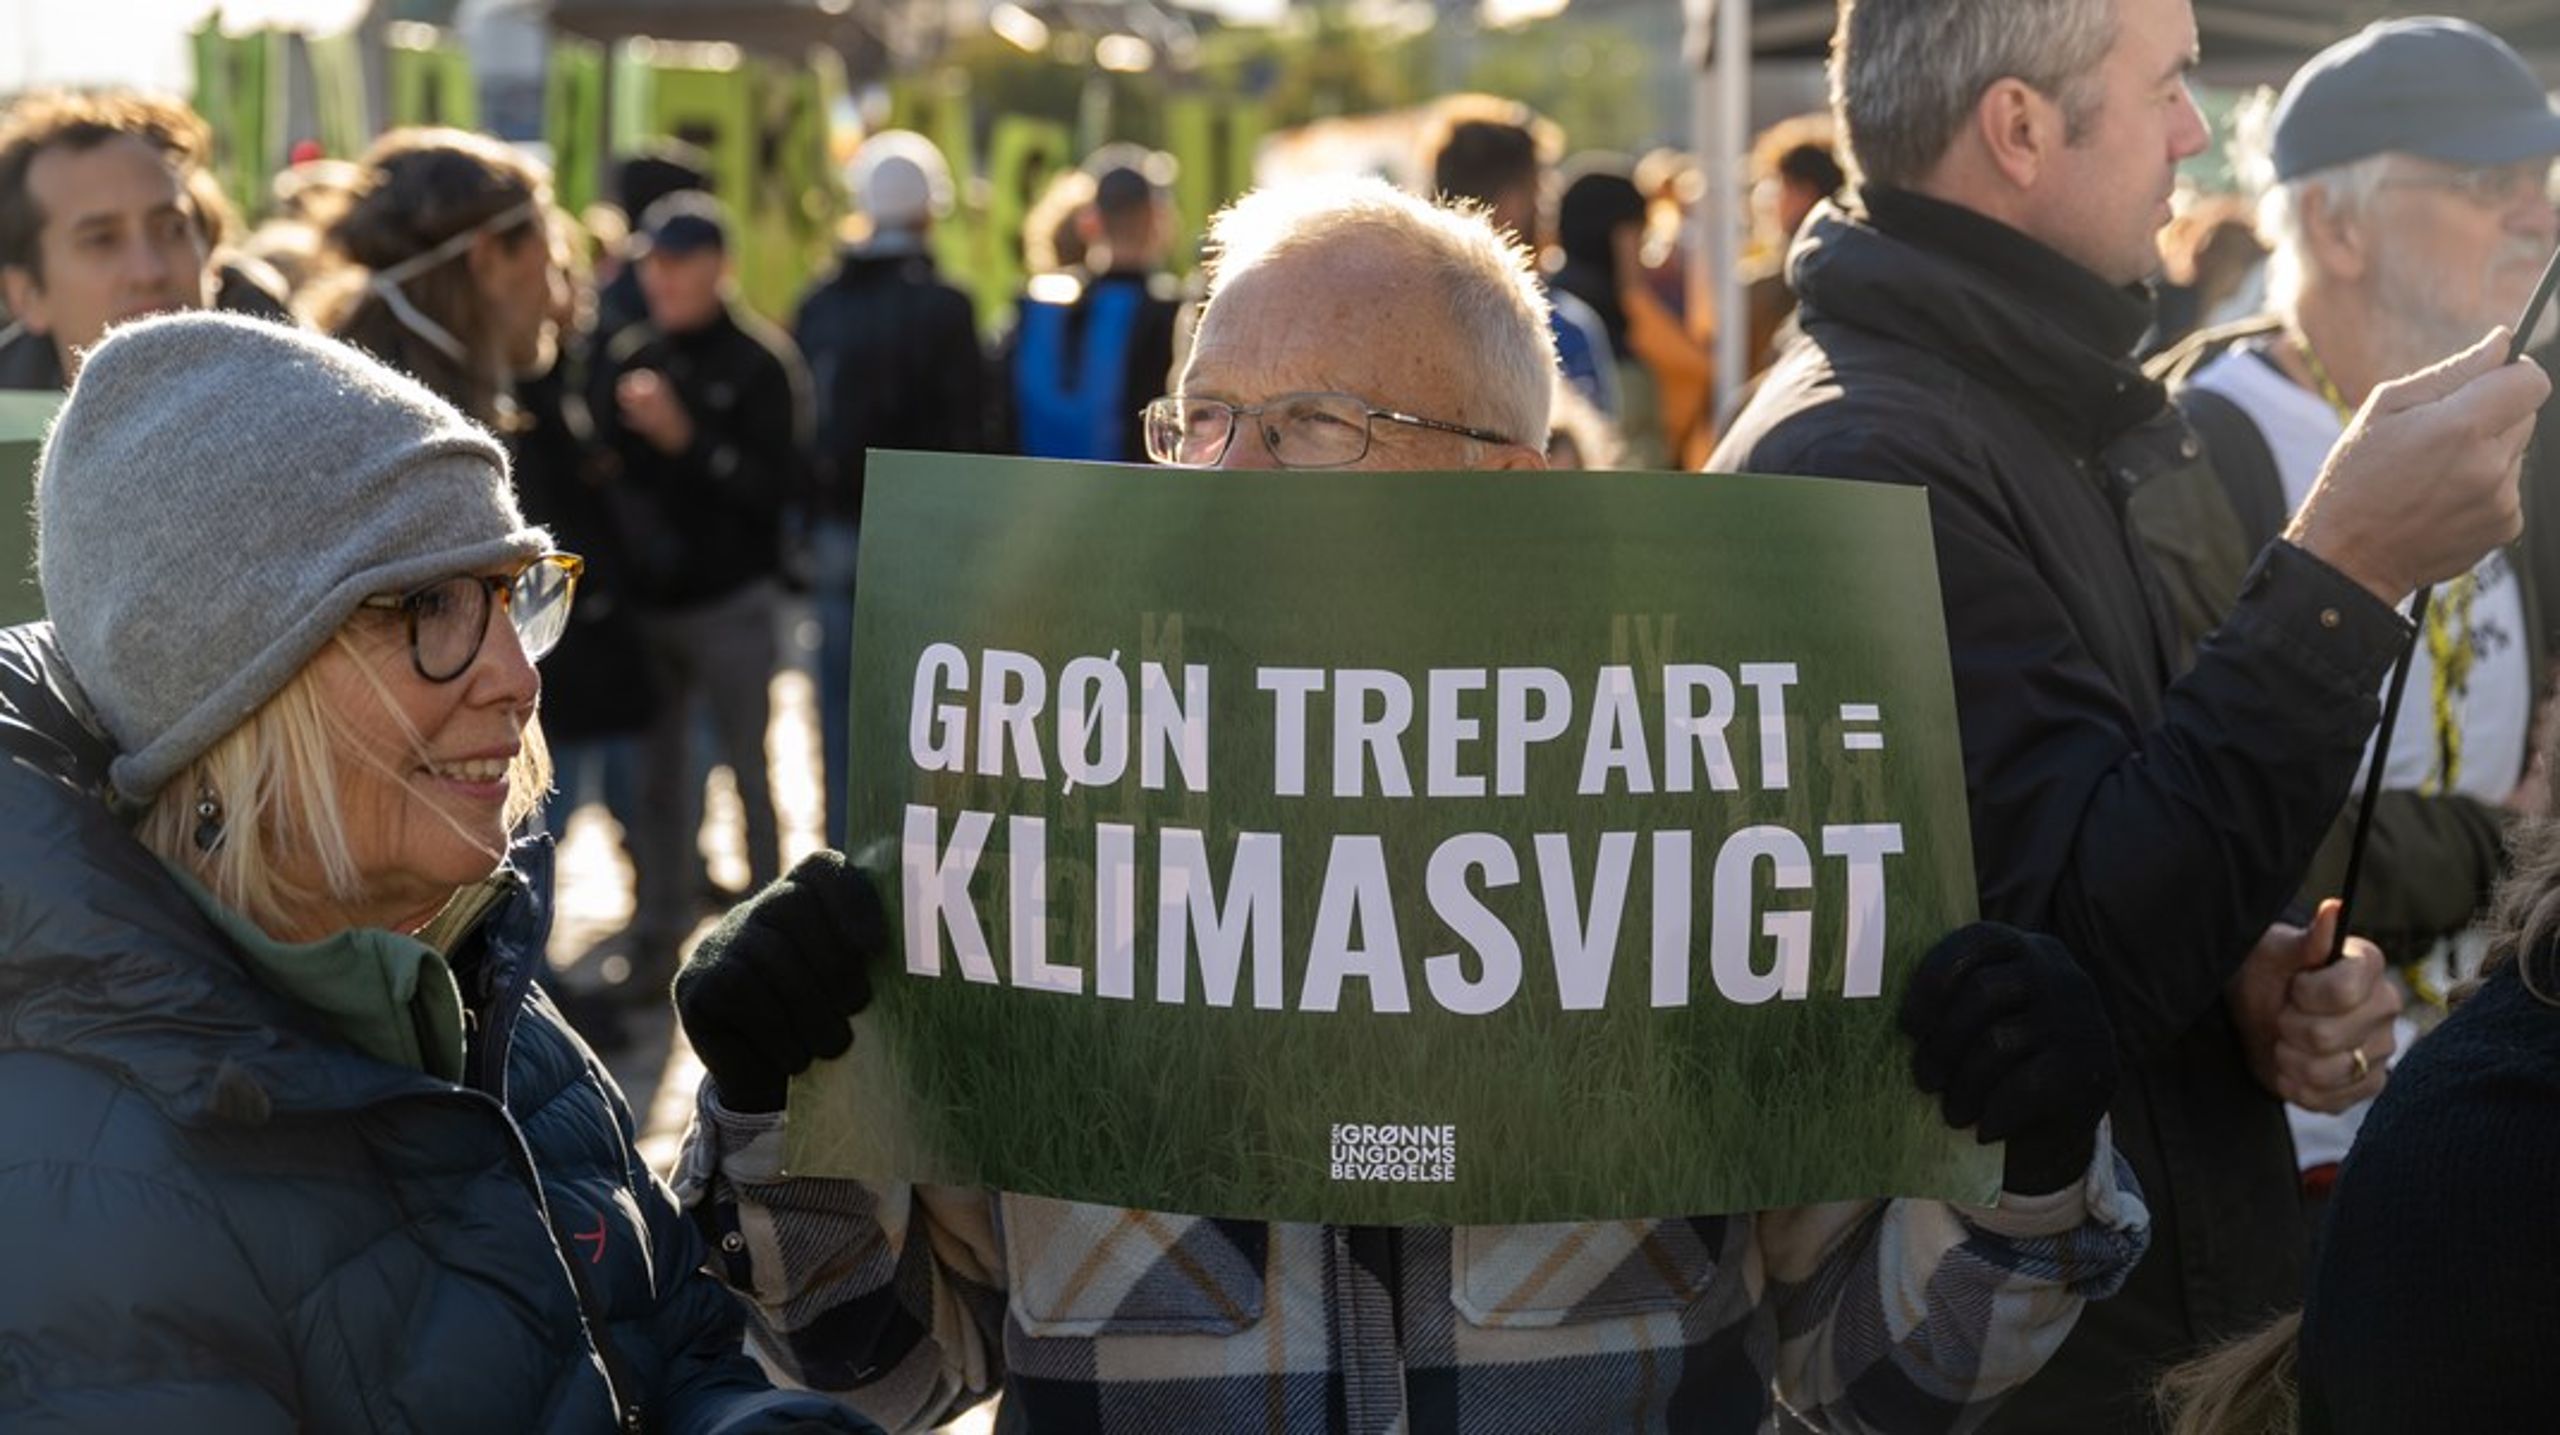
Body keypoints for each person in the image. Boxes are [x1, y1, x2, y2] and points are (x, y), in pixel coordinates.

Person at [667, 178, 2150, 1435]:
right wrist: (776, 1104)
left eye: (1313, 423)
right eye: (1201, 420)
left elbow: (1877, 1366)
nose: (1225, 477)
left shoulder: (1699, 838)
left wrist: (2023, 1162)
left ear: (1513, 482)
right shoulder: (1032, 835)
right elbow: (888, 1362)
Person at [1710, 1, 2549, 1428]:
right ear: (2022, 128)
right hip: (2035, 1358)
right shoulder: (1863, 451)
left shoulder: (2029, 405)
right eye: (2165, 87)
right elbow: (2061, 967)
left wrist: (2248, 967)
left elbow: (2089, 851)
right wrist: (2349, 567)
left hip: (2156, 1301)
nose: (2196, 133)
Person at [0, 311, 878, 1434]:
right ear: (230, 691)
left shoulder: (464, 976)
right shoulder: (78, 1173)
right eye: (430, 606)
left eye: (513, 595)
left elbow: (667, 1351)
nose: (515, 676)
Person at [2138, 15, 2560, 1201]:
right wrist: (2507, 832)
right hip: (2295, 1160)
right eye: (2491, 184)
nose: (2542, 215)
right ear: (2334, 221)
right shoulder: (2196, 450)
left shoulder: (2529, 416)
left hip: (2494, 1113)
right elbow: (2219, 824)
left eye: (2546, 179)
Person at [591, 191, 811, 996]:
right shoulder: (631, 353)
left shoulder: (759, 362)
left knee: (750, 768)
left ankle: (773, 937)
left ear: (719, 267)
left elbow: (774, 487)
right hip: (656, 606)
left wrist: (686, 439)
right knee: (658, 779)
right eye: (651, 263)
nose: (662, 279)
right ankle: (658, 936)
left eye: (678, 263)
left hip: (733, 601)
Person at [794, 130, 987, 849]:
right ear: (931, 211)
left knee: (842, 713)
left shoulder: (820, 302)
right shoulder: (946, 308)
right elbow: (970, 435)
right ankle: (910, 862)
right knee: (924, 722)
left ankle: (844, 853)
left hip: (838, 530)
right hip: (923, 541)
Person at [306, 127, 563, 430]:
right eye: (548, 266)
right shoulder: (425, 441)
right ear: (487, 257)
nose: (557, 298)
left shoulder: (328, 386)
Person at [0, 90, 219, 389]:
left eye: (172, 230)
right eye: (101, 240)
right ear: (27, 296)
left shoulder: (300, 405)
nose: (149, 271)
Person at [1424, 96, 1620, 421]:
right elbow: (1592, 457)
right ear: (1515, 203)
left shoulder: (1396, 313)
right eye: (1542, 194)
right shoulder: (1560, 330)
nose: (1547, 212)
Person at [1002, 145, 1184, 464]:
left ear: (1089, 221)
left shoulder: (1035, 306)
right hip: (1129, 499)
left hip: (1035, 493)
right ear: (1157, 219)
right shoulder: (1172, 316)